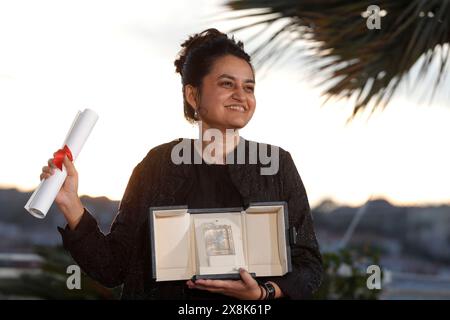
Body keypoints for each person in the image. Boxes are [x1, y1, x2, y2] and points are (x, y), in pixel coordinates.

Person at [40, 28, 323, 300]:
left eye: (248, 87)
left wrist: (264, 292)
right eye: (227, 84)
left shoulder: (276, 165)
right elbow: (113, 268)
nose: (241, 95)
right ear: (193, 95)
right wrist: (70, 203)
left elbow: (308, 264)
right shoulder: (158, 165)